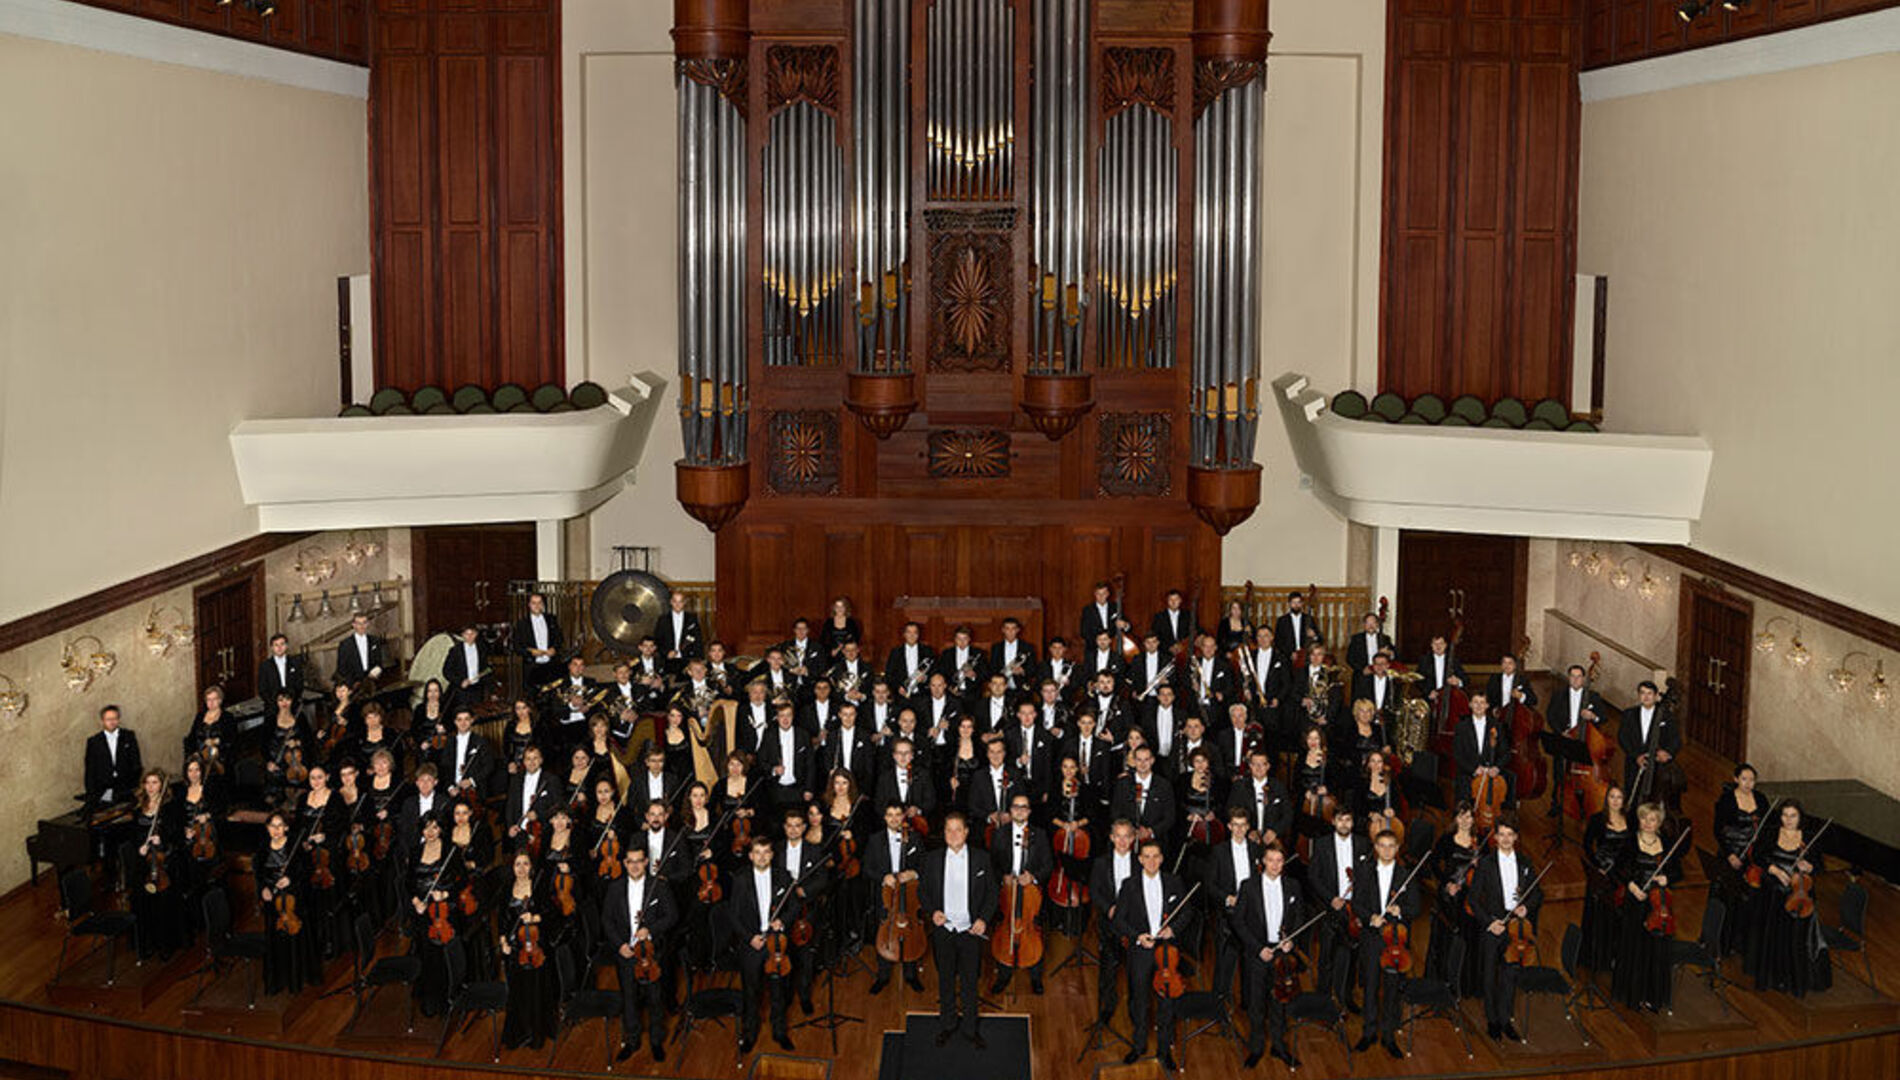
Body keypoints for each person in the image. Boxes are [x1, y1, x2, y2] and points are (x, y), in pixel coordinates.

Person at [921, 812, 997, 1048]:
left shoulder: (982, 858)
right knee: (945, 980)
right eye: (949, 830)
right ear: (944, 833)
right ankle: (947, 1024)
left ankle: (970, 1029)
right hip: (944, 930)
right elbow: (923, 891)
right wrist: (933, 911)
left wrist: (983, 919)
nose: (953, 834)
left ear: (966, 832)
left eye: (958, 829)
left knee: (970, 982)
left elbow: (992, 893)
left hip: (970, 931)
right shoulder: (932, 859)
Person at [1115, 838, 1193, 1069]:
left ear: (1162, 859)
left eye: (1155, 856)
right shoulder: (1129, 885)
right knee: (1139, 1000)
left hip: (1167, 951)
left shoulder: (1174, 881)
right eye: (1146, 857)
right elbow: (1118, 920)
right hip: (1141, 950)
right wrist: (1138, 936)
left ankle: (1163, 1050)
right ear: (1140, 859)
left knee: (1166, 1001)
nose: (1151, 861)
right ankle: (1139, 1045)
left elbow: (1187, 912)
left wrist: (1173, 929)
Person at [1743, 799, 1831, 998]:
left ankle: (1794, 981)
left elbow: (1820, 866)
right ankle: (1774, 978)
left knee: (1796, 940)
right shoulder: (1771, 833)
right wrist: (1775, 871)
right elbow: (1757, 856)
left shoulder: (1808, 838)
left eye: (1793, 816)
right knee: (1773, 936)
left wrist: (1809, 867)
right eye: (1785, 815)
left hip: (1799, 895)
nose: (1788, 820)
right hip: (1773, 894)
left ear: (1800, 817)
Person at [604, 846, 680, 1062]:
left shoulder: (659, 886)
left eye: (639, 861)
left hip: (652, 953)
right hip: (626, 953)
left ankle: (656, 1041)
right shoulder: (615, 888)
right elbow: (607, 920)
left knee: (655, 998)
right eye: (630, 861)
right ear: (625, 863)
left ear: (646, 862)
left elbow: (672, 915)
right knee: (629, 999)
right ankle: (632, 1041)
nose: (635, 866)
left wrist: (650, 930)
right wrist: (620, 945)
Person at [1472, 815, 1542, 1042]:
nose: (1505, 839)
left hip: (1515, 927)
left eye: (1510, 835)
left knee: (1510, 974)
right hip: (1494, 925)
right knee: (1490, 975)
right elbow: (1473, 900)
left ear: (1516, 837)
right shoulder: (1485, 864)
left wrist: (1526, 907)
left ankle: (1505, 1020)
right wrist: (1489, 923)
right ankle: (1492, 1021)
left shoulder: (1525, 862)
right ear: (1495, 837)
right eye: (1501, 834)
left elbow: (1537, 894)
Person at [729, 835, 799, 1053]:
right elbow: (733, 915)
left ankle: (780, 1032)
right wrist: (749, 937)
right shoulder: (740, 879)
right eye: (757, 853)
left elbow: (794, 907)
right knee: (751, 991)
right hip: (752, 944)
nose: (761, 857)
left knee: (779, 991)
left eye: (766, 852)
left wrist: (782, 921)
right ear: (751, 856)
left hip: (775, 944)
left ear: (771, 855)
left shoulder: (783, 877)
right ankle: (750, 1033)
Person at [1352, 829, 1417, 1060]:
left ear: (1397, 848)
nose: (1387, 850)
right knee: (1370, 986)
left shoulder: (1406, 875)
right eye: (1382, 845)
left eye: (1391, 846)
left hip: (1395, 940)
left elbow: (1415, 907)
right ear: (1376, 848)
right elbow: (1356, 903)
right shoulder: (1364, 872)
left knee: (1391, 988)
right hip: (1372, 938)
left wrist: (1400, 911)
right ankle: (1368, 1032)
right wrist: (1370, 917)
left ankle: (1388, 1036)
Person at [1610, 802, 1681, 1012]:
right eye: (1644, 818)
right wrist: (1632, 886)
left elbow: (1678, 872)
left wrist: (1667, 879)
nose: (1648, 823)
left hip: (1658, 904)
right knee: (1636, 947)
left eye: (1653, 819)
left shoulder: (1667, 843)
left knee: (1656, 950)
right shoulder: (1630, 843)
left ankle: (1652, 996)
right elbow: (1617, 869)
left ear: (1659, 823)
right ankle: (1634, 995)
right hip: (1637, 901)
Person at [1238, 843, 1303, 1069]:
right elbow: (1239, 921)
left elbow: (1299, 917)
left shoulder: (1293, 885)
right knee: (1256, 1003)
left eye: (1279, 860)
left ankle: (1278, 1045)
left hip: (1282, 954)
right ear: (1263, 862)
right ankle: (1256, 1047)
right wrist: (1258, 948)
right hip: (1258, 952)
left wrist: (1291, 940)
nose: (1275, 865)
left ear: (1283, 862)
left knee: (1280, 1001)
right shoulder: (1248, 886)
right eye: (1271, 860)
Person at [989, 793, 1052, 995]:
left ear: (1029, 811)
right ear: (1010, 810)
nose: (1019, 810)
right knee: (1006, 926)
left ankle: (1035, 976)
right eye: (1016, 806)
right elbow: (992, 864)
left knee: (1032, 928)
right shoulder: (1000, 834)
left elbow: (1048, 865)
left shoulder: (1040, 835)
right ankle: (1004, 973)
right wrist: (1003, 877)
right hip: (1007, 890)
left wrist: (1032, 877)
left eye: (1024, 807)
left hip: (1030, 890)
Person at [497, 850, 561, 1051]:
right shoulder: (507, 888)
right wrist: (503, 941)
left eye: (525, 864)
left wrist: (535, 918)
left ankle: (536, 1033)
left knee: (536, 990)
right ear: (512, 867)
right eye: (518, 864)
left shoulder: (539, 887)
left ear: (531, 867)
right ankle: (520, 1033)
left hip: (536, 946)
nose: (522, 868)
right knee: (518, 992)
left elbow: (552, 914)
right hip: (516, 948)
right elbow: (502, 919)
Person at [1306, 803, 1368, 1009]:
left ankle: (1346, 997)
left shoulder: (1362, 844)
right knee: (1326, 957)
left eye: (1348, 820)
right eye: (1340, 820)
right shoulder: (1322, 844)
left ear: (1353, 822)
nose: (1344, 824)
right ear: (1333, 822)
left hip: (1353, 910)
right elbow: (1313, 876)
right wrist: (1331, 898)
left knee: (1351, 956)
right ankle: (1323, 999)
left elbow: (1368, 876)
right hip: (1330, 908)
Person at [122, 768, 188, 958]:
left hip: (164, 861)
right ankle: (146, 943)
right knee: (143, 901)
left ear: (161, 785)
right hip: (144, 861)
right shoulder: (138, 808)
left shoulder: (170, 807)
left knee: (164, 903)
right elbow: (133, 834)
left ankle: (165, 944)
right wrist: (139, 847)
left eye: (155, 782)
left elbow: (179, 834)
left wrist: (163, 839)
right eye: (147, 783)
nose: (151, 787)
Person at [866, 801, 927, 994]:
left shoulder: (914, 838)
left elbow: (924, 863)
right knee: (885, 930)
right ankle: (883, 975)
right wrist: (883, 877)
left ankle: (911, 974)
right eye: (890, 815)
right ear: (885, 818)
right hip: (886, 894)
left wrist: (914, 873)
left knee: (910, 928)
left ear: (903, 817)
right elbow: (867, 868)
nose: (894, 819)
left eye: (898, 815)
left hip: (909, 894)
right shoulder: (875, 840)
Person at [259, 810, 320, 995]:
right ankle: (278, 979)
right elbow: (259, 875)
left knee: (295, 937)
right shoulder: (262, 848)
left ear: (286, 828)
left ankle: (295, 978)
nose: (276, 830)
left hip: (294, 898)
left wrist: (290, 880)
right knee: (275, 936)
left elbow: (307, 870)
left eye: (280, 826)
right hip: (273, 901)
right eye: (272, 826)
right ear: (267, 828)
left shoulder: (296, 846)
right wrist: (263, 889)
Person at [1088, 820, 1140, 1024]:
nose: (1122, 841)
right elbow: (1095, 891)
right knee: (1108, 968)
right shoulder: (1101, 863)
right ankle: (1107, 1007)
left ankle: (1135, 1009)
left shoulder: (1141, 862)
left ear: (1133, 838)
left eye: (1126, 836)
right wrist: (1109, 908)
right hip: (1109, 922)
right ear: (1111, 838)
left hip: (1133, 923)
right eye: (1118, 836)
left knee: (1135, 969)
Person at [1580, 784, 1632, 973]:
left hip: (1620, 873)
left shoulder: (1630, 820)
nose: (1615, 801)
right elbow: (1587, 845)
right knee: (1598, 915)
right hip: (1601, 874)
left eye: (1619, 797)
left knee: (1617, 916)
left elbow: (1632, 847)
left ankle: (1613, 956)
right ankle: (1594, 958)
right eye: (1612, 797)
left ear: (1624, 800)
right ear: (1606, 799)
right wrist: (1597, 866)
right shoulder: (1597, 819)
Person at [1619, 680, 1680, 799]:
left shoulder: (1666, 716)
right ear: (1638, 695)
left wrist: (1667, 752)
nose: (1646, 697)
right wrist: (1636, 756)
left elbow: (1675, 739)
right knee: (1632, 795)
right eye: (1642, 693)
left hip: (1657, 765)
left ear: (1656, 696)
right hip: (1634, 763)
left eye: (1649, 693)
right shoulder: (1629, 714)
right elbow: (1623, 738)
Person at [84, 705, 142, 812]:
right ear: (102, 721)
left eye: (114, 718)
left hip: (126, 786)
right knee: (107, 813)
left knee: (129, 813)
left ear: (119, 719)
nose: (112, 722)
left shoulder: (128, 736)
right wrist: (91, 794)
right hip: (104, 788)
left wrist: (134, 784)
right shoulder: (94, 741)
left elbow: (136, 762)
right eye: (108, 719)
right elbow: (90, 769)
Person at [442, 625, 490, 716]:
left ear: (476, 634)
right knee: (462, 715)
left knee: (476, 716)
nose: (469, 637)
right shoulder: (455, 650)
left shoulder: (482, 649)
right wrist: (460, 681)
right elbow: (446, 671)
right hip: (461, 692)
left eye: (472, 634)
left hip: (477, 690)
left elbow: (486, 668)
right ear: (462, 635)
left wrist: (484, 677)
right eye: (467, 634)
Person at [513, 591, 565, 672]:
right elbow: (517, 646)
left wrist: (554, 649)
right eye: (534, 603)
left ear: (543, 604)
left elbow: (559, 639)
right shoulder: (522, 624)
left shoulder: (551, 619)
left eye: (539, 603)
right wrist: (531, 652)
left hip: (551, 664)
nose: (537, 606)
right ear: (529, 605)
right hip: (531, 666)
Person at [333, 612, 389, 688]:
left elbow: (379, 662)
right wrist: (352, 683)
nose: (362, 626)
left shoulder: (375, 641)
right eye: (359, 623)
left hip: (372, 682)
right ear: (353, 625)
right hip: (353, 683)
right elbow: (342, 668)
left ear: (368, 624)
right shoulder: (345, 644)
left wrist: (377, 670)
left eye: (364, 623)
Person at [655, 591, 705, 672]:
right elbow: (657, 640)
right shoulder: (663, 620)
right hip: (668, 661)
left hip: (688, 660)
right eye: (675, 601)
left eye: (680, 601)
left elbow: (698, 640)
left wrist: (699, 659)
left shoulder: (692, 619)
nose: (677, 604)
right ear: (671, 602)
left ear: (684, 602)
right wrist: (666, 653)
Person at [257, 633, 308, 709]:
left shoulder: (295, 663)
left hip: (293, 705)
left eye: (282, 644)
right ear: (272, 647)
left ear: (286, 646)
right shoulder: (265, 666)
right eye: (276, 645)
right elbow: (262, 688)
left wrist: (291, 700)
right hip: (272, 706)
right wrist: (274, 703)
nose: (279, 648)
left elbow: (299, 684)